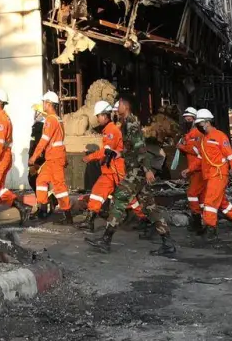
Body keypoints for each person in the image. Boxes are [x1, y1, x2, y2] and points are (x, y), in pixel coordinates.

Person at [87, 99, 176, 256]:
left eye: (118, 106)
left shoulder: (131, 122)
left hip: (136, 172)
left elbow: (140, 147)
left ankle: (106, 240)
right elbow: (131, 150)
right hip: (137, 170)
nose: (116, 109)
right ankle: (167, 243)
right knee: (150, 207)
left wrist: (147, 169)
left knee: (119, 200)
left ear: (125, 107)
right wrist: (118, 153)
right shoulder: (126, 123)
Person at [195, 109, 232, 242]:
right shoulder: (204, 139)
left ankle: (211, 229)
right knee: (222, 204)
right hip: (210, 176)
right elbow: (202, 159)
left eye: (200, 123)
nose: (199, 126)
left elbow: (231, 158)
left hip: (219, 174)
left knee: (209, 202)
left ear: (207, 122)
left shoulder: (220, 136)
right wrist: (189, 170)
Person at [0, 89, 30, 228]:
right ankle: (22, 207)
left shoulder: (1, 120)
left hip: (0, 158)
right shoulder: (0, 118)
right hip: (2, 157)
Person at [83, 101, 131, 232]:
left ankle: (144, 218)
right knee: (97, 192)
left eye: (98, 116)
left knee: (129, 196)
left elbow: (107, 151)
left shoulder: (111, 130)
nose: (97, 119)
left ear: (104, 115)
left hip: (116, 169)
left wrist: (90, 157)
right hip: (110, 170)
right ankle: (89, 220)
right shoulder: (109, 130)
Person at [30, 91, 73, 222]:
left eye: (44, 102)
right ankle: (43, 209)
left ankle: (67, 215)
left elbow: (44, 140)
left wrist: (34, 156)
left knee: (59, 186)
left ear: (48, 103)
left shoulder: (50, 119)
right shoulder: (57, 119)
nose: (43, 104)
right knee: (41, 180)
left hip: (54, 158)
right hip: (53, 157)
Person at [177, 107, 206, 235]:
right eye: (185, 118)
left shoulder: (197, 134)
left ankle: (197, 222)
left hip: (198, 169)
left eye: (188, 118)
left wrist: (182, 146)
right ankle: (203, 221)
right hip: (195, 169)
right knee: (201, 197)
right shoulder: (191, 133)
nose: (186, 120)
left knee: (192, 194)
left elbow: (196, 151)